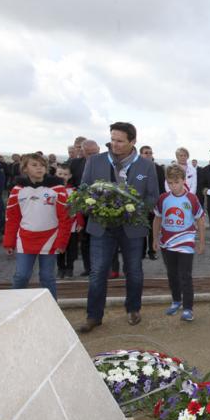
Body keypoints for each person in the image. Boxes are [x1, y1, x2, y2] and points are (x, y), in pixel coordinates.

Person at [77, 122, 160, 333]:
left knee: (134, 270)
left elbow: (153, 197)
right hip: (101, 226)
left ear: (133, 141)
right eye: (112, 139)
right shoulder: (95, 161)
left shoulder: (147, 166)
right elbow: (83, 190)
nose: (114, 144)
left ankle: (133, 309)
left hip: (132, 227)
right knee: (98, 272)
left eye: (120, 141)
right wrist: (95, 206)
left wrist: (132, 209)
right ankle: (93, 316)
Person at [3, 154, 71, 299]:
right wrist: (9, 242)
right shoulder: (17, 190)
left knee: (47, 277)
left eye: (42, 165)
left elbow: (65, 218)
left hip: (50, 238)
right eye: (34, 165)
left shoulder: (58, 188)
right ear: (25, 169)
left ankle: (52, 308)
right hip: (25, 238)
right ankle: (13, 305)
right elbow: (12, 218)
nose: (39, 168)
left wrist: (62, 241)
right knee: (21, 276)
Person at [153, 165, 206, 322]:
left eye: (176, 182)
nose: (173, 186)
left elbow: (200, 220)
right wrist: (154, 238)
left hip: (186, 243)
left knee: (185, 275)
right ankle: (176, 300)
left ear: (183, 180)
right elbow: (157, 219)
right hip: (167, 243)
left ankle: (188, 308)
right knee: (172, 274)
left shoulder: (192, 199)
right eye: (170, 183)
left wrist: (201, 242)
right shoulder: (163, 198)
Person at [73, 140, 100, 276]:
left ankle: (102, 268)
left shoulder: (108, 163)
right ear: (83, 152)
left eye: (95, 153)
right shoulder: (74, 164)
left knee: (102, 239)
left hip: (102, 207)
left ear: (99, 150)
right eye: (89, 153)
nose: (92, 156)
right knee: (85, 240)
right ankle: (88, 268)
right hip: (83, 208)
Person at [54, 164, 84, 278]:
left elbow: (78, 208)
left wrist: (80, 222)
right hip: (57, 225)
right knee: (59, 247)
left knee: (71, 249)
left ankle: (69, 268)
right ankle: (60, 268)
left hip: (72, 225)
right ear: (55, 174)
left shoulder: (74, 190)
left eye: (65, 174)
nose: (63, 176)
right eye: (60, 174)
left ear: (70, 176)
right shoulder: (52, 190)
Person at [139, 145, 165, 260]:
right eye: (146, 153)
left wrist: (158, 202)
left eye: (150, 153)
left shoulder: (158, 168)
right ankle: (141, 252)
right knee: (141, 229)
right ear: (140, 155)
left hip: (154, 203)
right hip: (140, 204)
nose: (149, 155)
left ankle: (152, 251)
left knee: (153, 229)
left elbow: (162, 187)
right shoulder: (136, 168)